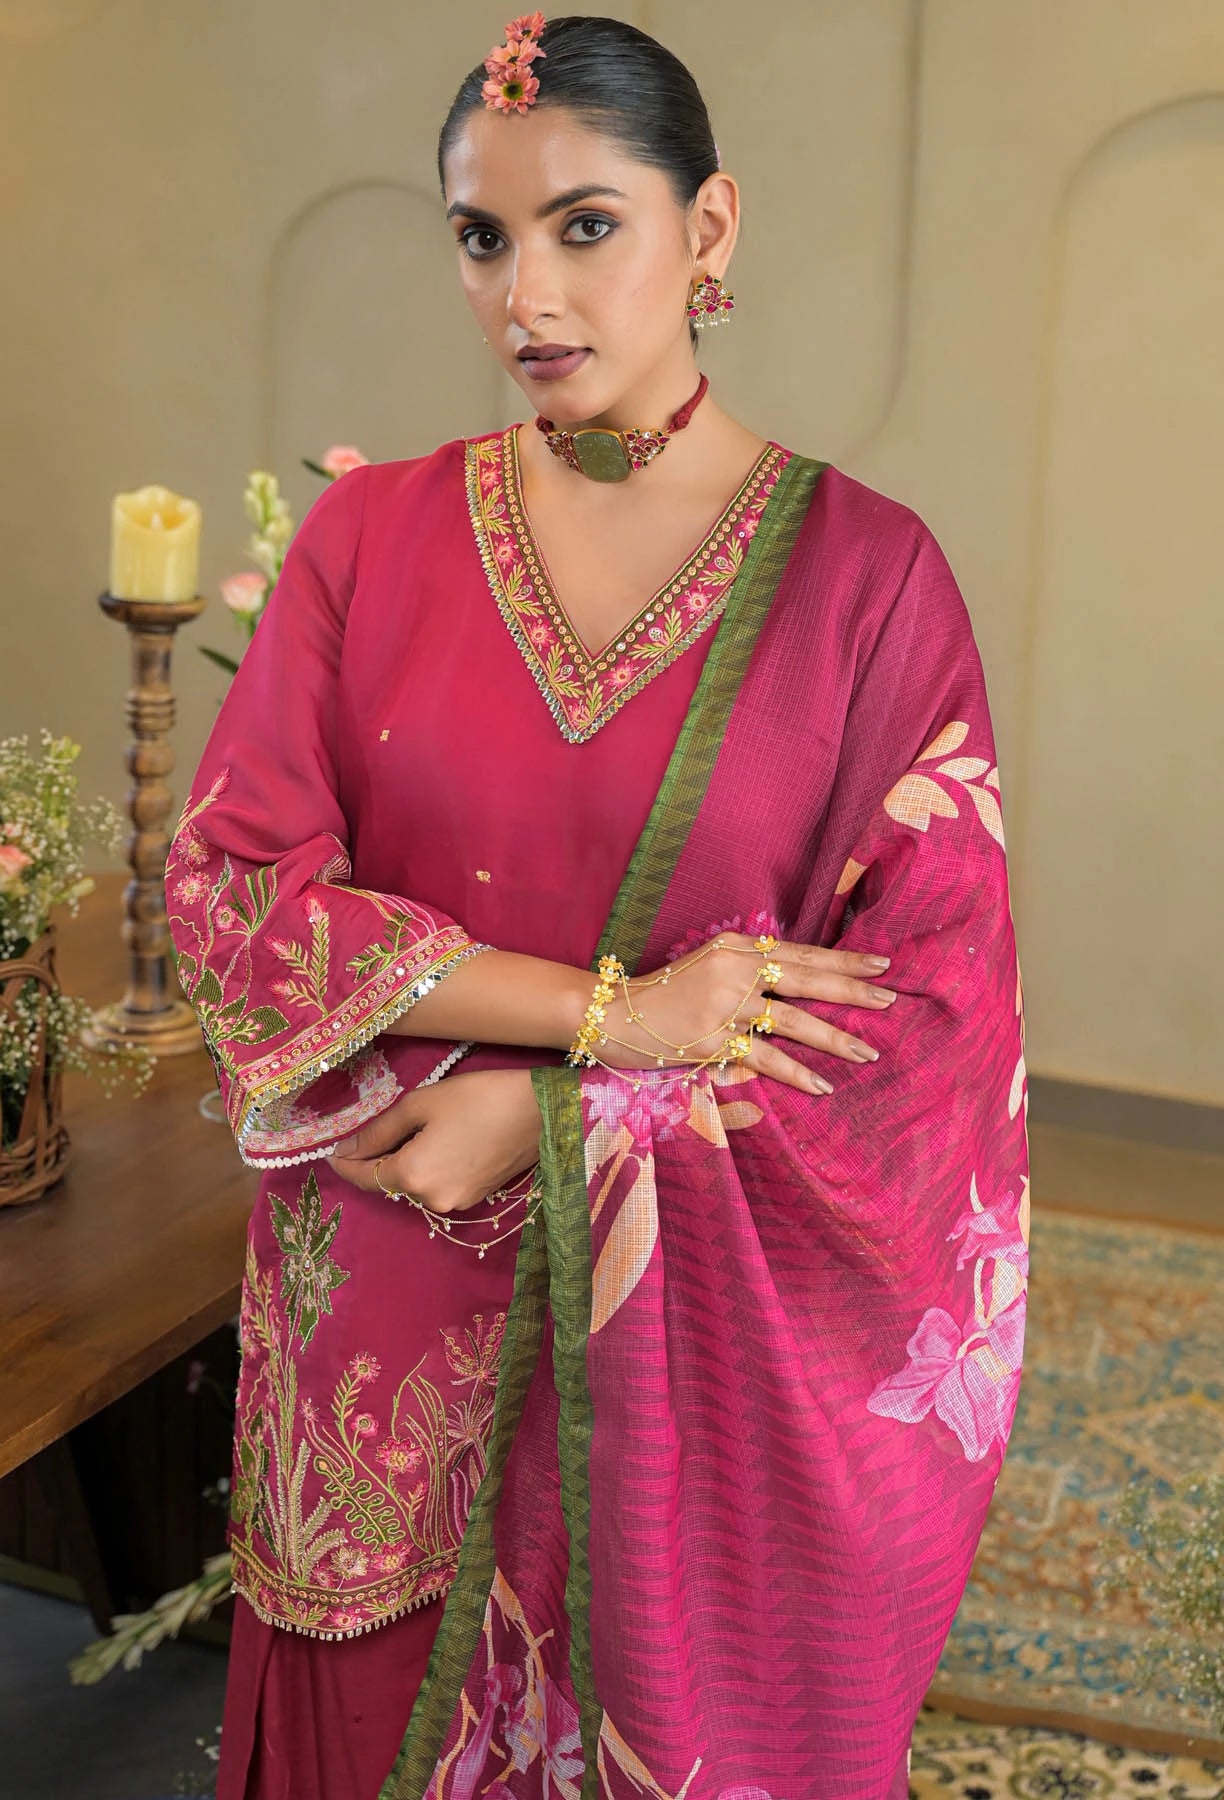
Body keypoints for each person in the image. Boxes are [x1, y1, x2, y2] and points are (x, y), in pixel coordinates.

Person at [165, 13, 1029, 1799]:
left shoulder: (865, 584)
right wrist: (608, 1020)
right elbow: (240, 897)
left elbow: (915, 1056)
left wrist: (547, 1119)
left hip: (682, 1388)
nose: (529, 294)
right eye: (483, 237)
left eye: (585, 225)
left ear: (710, 229)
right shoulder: (367, 541)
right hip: (383, 1308)